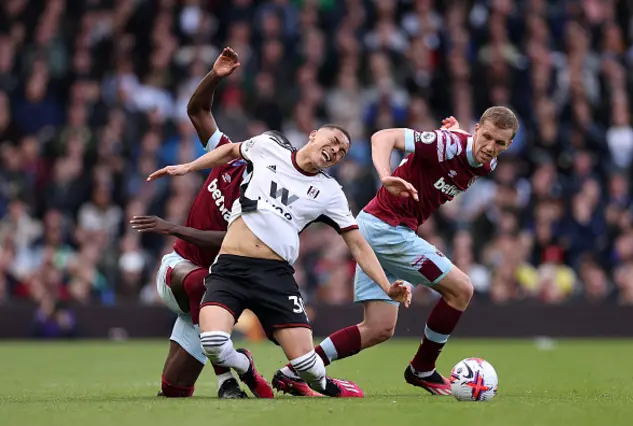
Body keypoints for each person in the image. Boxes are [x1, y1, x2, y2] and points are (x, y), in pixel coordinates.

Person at [147, 123, 412, 398]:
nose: (335, 151)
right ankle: (244, 365)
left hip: (274, 276)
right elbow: (229, 151)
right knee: (213, 342)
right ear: (313, 135)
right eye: (333, 141)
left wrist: (385, 285)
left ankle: (328, 386)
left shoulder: (330, 192)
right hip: (230, 267)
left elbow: (357, 244)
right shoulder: (269, 146)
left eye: (342, 151)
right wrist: (188, 167)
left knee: (308, 367)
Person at [273, 107, 518, 396]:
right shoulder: (447, 144)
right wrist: (386, 175)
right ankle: (422, 368)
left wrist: (456, 133)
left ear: (509, 144)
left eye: (500, 143)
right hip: (385, 229)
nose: (490, 147)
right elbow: (382, 137)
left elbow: (459, 151)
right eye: (486, 136)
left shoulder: (483, 162)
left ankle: (293, 372)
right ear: (477, 129)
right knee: (461, 289)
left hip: (380, 229)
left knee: (378, 328)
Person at [130, 47, 248, 399]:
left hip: (213, 292)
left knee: (174, 389)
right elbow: (196, 110)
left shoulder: (265, 201)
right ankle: (228, 380)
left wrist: (173, 226)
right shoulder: (228, 158)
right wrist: (215, 76)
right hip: (180, 268)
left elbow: (229, 241)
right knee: (201, 281)